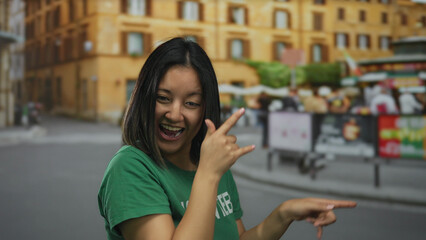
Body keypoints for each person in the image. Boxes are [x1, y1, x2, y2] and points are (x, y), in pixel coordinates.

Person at [98, 37, 357, 240]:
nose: (174, 114)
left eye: (191, 102)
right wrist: (209, 174)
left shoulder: (210, 162)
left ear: (205, 109)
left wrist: (284, 212)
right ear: (144, 98)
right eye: (163, 98)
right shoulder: (131, 167)